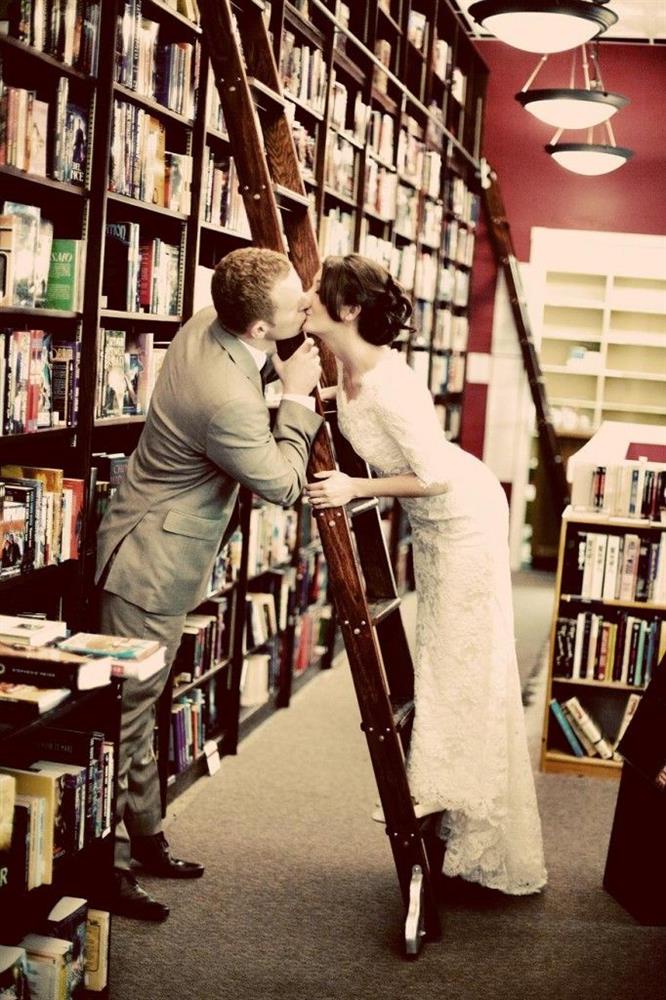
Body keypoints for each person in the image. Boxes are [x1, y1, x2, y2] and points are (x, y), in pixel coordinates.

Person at [302, 253, 547, 896]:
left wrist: (354, 486)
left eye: (317, 290)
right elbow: (352, 415)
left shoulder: (392, 384)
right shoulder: (350, 369)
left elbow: (434, 475)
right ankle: (451, 801)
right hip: (436, 524)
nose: (305, 296)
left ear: (348, 309)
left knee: (462, 656)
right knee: (443, 652)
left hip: (463, 515)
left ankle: (459, 803)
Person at [95, 247, 323, 920]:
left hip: (150, 537)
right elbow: (283, 484)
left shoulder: (208, 319)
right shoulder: (226, 403)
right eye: (294, 302)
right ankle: (104, 868)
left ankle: (146, 836)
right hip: (149, 565)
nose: (306, 303)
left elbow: (253, 369)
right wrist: (297, 398)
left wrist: (279, 377)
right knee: (127, 718)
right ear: (259, 328)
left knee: (142, 707)